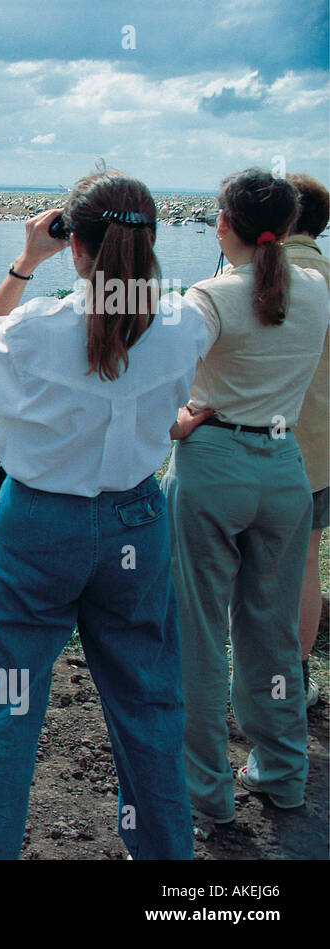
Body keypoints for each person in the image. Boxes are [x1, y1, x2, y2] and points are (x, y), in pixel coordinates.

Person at [0, 170, 209, 860]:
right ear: (152, 241)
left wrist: (24, 261)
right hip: (135, 521)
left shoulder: (37, 329)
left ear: (77, 245)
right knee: (150, 707)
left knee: (6, 716)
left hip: (37, 525)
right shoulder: (185, 322)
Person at [164, 168, 329, 825]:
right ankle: (282, 773)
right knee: (269, 629)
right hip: (285, 472)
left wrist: (179, 419)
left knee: (199, 632)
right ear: (288, 228)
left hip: (212, 469)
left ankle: (206, 791)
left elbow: (162, 379)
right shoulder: (316, 288)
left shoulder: (208, 296)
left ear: (224, 224)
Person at [282, 173, 329, 710]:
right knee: (304, 564)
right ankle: (292, 680)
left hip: (239, 446)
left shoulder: (250, 277)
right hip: (318, 453)